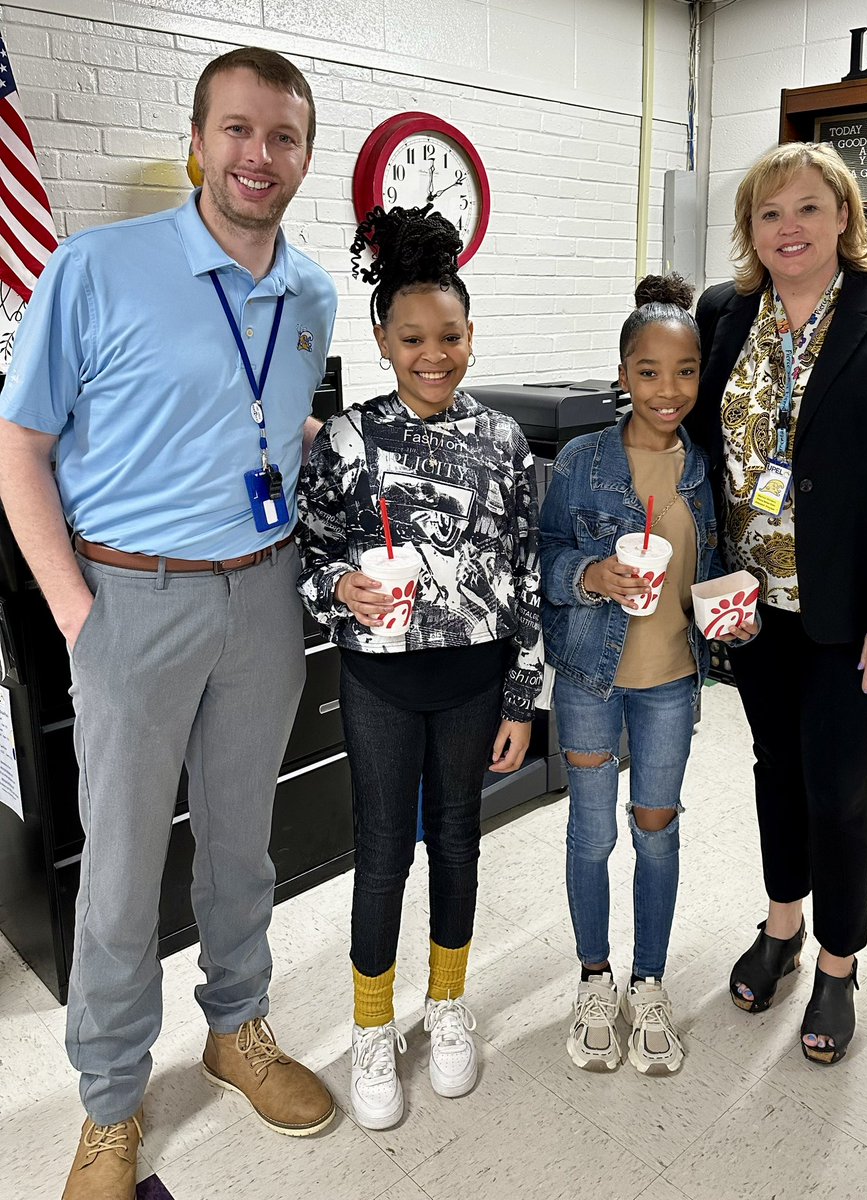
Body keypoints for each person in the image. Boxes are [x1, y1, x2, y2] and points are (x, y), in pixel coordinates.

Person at [0, 47, 338, 1199]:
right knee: (124, 868)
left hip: (262, 592)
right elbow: (20, 451)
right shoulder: (94, 268)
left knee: (243, 842)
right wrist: (79, 619)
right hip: (129, 600)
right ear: (199, 140)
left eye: (283, 137)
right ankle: (107, 1105)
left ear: (303, 156)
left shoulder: (310, 293)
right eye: (239, 130)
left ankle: (236, 1026)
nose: (260, 155)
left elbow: (268, 426)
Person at [689, 141, 867, 1064]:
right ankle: (780, 926)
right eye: (769, 214)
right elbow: (690, 443)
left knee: (841, 792)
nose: (788, 228)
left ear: (842, 216)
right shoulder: (723, 313)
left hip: (853, 614)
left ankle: (838, 966)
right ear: (750, 231)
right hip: (751, 605)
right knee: (774, 768)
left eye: (807, 208)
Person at [297, 204, 542, 1129]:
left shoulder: (505, 444)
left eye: (448, 336)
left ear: (471, 336)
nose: (432, 354)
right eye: (412, 338)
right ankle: (370, 1027)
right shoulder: (349, 442)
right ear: (382, 338)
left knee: (457, 843)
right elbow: (307, 560)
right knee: (380, 853)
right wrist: (342, 588)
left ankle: (445, 1005)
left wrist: (523, 693)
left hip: (475, 680)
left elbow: (520, 573)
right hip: (380, 684)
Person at [539, 274, 754, 1075]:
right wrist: (590, 574)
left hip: (669, 685)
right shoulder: (581, 460)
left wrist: (735, 608)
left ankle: (649, 980)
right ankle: (595, 979)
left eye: (685, 371)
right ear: (623, 374)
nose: (668, 390)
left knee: (655, 835)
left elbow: (718, 567)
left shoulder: (704, 467)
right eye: (648, 371)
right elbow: (545, 559)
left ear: (702, 374)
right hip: (589, 682)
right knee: (591, 836)